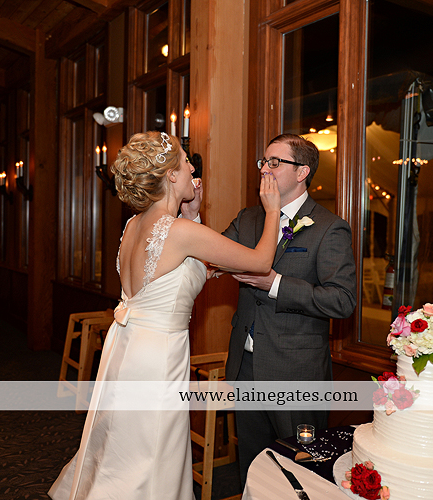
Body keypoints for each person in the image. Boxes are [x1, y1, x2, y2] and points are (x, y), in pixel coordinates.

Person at [48, 131, 281, 500]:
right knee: (152, 449)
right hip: (158, 355)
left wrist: (192, 213)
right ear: (172, 175)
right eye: (187, 163)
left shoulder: (134, 225)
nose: (193, 170)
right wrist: (272, 210)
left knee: (124, 444)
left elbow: (186, 270)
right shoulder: (180, 232)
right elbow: (261, 261)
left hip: (127, 346)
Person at [185, 133, 356, 487]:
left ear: (302, 172)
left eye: (275, 162)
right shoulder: (249, 219)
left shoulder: (328, 227)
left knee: (300, 474)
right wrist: (192, 215)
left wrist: (275, 284)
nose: (265, 169)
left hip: (296, 372)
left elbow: (342, 300)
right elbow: (208, 258)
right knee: (252, 467)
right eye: (263, 162)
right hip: (246, 366)